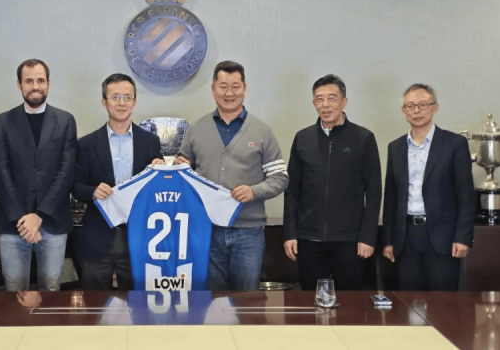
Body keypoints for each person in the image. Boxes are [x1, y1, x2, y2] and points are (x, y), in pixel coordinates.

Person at [176, 60, 288, 291]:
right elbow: (183, 171)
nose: (229, 93)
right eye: (223, 86)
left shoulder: (262, 131)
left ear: (244, 88)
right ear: (212, 89)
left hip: (249, 233)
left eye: (235, 87)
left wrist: (254, 191)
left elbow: (280, 177)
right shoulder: (197, 129)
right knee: (210, 299)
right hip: (206, 229)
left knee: (247, 302)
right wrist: (177, 167)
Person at [283, 74, 382, 291]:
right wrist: (290, 233)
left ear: (344, 102)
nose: (325, 105)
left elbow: (374, 192)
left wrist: (368, 237)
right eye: (319, 99)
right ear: (314, 103)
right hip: (308, 240)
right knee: (311, 302)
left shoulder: (363, 138)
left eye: (332, 98)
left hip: (350, 241)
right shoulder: (303, 138)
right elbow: (292, 190)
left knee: (350, 304)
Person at [0, 59, 77, 291]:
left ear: (48, 83)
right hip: (13, 223)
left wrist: (39, 216)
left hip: (53, 221)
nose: (35, 86)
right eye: (29, 81)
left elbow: (66, 171)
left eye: (40, 80)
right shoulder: (3, 121)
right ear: (19, 85)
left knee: (51, 287)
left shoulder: (65, 121)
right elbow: (0, 171)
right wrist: (24, 218)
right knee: (14, 290)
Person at [72, 73, 162, 290]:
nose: (122, 103)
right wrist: (93, 192)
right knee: (95, 302)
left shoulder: (150, 142)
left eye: (127, 97)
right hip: (98, 235)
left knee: (137, 300)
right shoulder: (86, 144)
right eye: (115, 97)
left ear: (134, 102)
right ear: (104, 102)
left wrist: (162, 171)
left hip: (139, 236)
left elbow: (159, 191)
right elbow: (75, 185)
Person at [382, 83, 475, 291]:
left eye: (423, 105)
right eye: (410, 106)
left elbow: (466, 195)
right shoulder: (395, 147)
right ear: (403, 111)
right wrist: (388, 240)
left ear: (435, 108)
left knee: (443, 303)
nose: (416, 110)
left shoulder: (455, 144)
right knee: (408, 301)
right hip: (405, 237)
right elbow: (391, 197)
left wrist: (463, 237)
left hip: (443, 238)